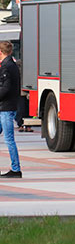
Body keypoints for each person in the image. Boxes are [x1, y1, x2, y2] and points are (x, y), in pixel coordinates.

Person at [0, 41, 22, 178]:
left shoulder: (7, 66)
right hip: (5, 107)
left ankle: (16, 169)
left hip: (6, 108)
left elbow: (6, 88)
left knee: (9, 139)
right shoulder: (10, 64)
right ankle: (15, 168)